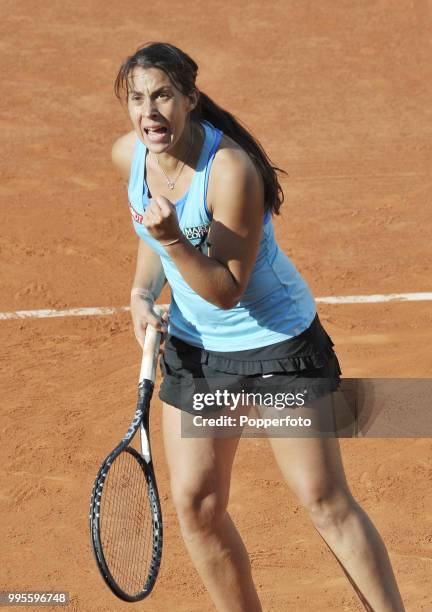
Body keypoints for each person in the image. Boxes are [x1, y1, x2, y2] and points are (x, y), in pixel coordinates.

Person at [111, 42, 405, 612]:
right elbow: (151, 237)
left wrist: (174, 238)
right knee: (197, 505)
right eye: (138, 98)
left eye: (164, 95)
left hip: (277, 351)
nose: (150, 112)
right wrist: (141, 293)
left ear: (190, 99)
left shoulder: (231, 171)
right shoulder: (130, 156)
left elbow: (225, 291)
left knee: (323, 500)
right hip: (199, 356)